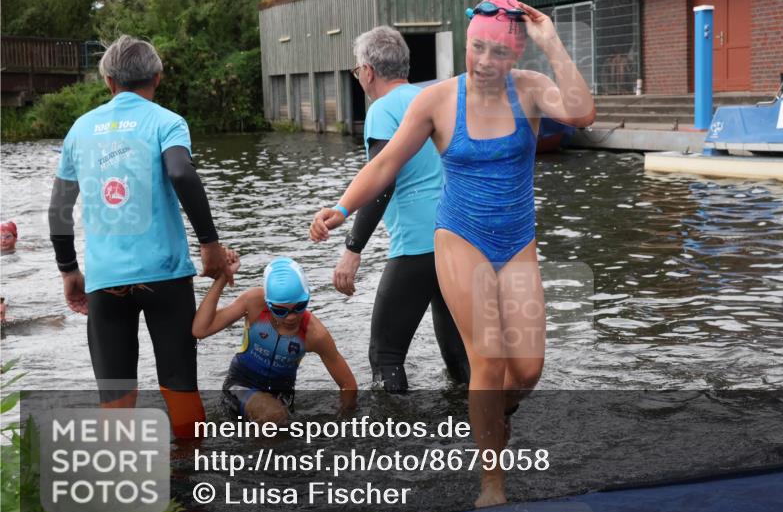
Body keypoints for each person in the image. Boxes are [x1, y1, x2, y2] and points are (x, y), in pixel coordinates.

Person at [310, 0, 595, 507]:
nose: (486, 62)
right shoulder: (438, 101)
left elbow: (582, 113)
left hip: (517, 241)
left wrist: (552, 44)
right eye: (477, 48)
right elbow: (385, 163)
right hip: (459, 236)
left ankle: (488, 420)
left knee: (527, 369)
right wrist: (342, 208)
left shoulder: (531, 90)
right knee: (487, 356)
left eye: (500, 53)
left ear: (517, 56)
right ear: (467, 44)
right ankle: (493, 482)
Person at [48, 34, 228, 438]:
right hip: (164, 277)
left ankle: (123, 489)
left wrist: (68, 270)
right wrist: (210, 244)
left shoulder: (81, 129)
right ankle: (190, 489)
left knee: (115, 396)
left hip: (105, 280)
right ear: (157, 79)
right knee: (180, 384)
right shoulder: (166, 122)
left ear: (109, 82)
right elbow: (181, 172)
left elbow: (59, 207)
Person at [334, 26, 469, 393]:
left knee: (386, 356)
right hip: (458, 237)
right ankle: (478, 429)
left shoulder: (382, 111)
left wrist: (353, 248)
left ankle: (392, 439)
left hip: (417, 246)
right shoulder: (434, 98)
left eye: (356, 69)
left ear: (368, 71)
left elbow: (382, 182)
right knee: (459, 355)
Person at [193, 254, 357, 424]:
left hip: (282, 400)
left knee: (278, 426)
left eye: (299, 307)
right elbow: (201, 329)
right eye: (280, 310)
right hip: (239, 388)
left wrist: (343, 420)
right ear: (267, 302)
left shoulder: (314, 334)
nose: (291, 317)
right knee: (273, 415)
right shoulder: (254, 303)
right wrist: (222, 278)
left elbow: (348, 384)